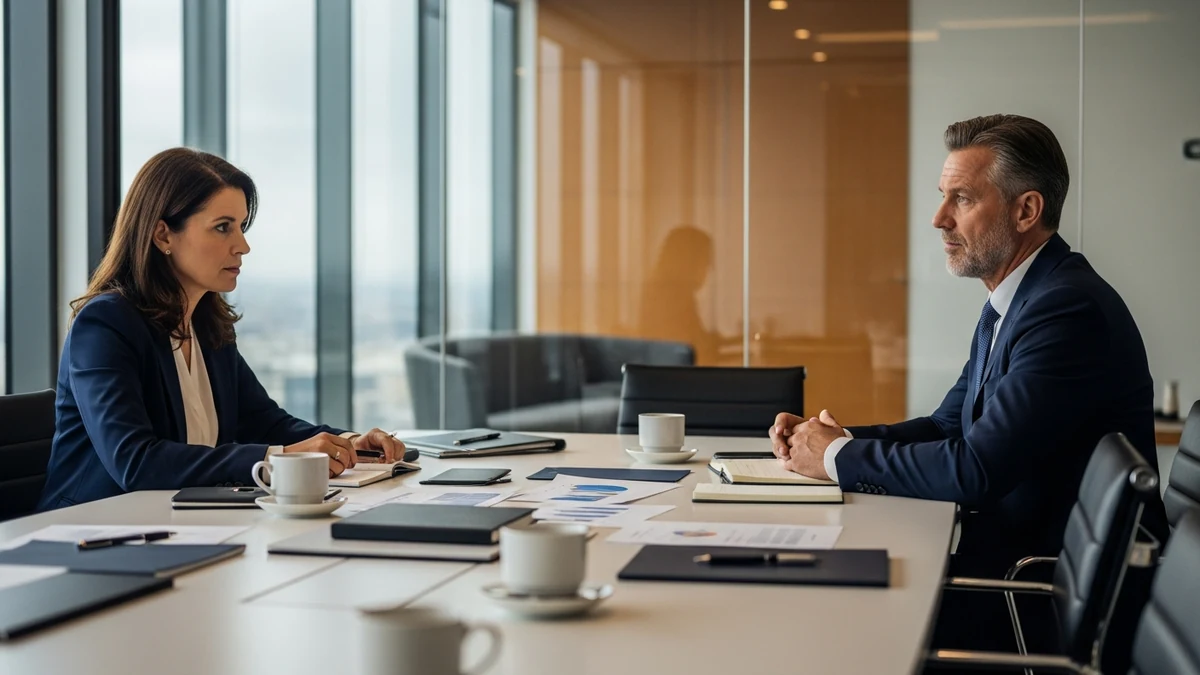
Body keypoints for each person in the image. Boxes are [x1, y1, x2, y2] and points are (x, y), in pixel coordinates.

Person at [770, 114, 1168, 568]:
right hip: (1011, 559)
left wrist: (837, 456)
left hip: (1035, 589)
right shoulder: (1022, 300)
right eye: (944, 197)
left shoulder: (1065, 311)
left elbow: (977, 469)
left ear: (1026, 211)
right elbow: (947, 427)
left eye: (962, 199)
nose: (939, 219)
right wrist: (828, 440)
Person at [38, 148, 405, 510]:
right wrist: (277, 460)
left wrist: (348, 443)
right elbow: (136, 462)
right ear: (163, 235)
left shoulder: (207, 323)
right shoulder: (105, 325)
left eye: (241, 227)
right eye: (222, 228)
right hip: (89, 535)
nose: (242, 246)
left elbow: (263, 422)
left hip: (184, 526)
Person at [638, 225, 721, 364]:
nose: (708, 270)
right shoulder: (670, 298)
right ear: (689, 262)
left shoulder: (672, 293)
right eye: (705, 262)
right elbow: (688, 348)